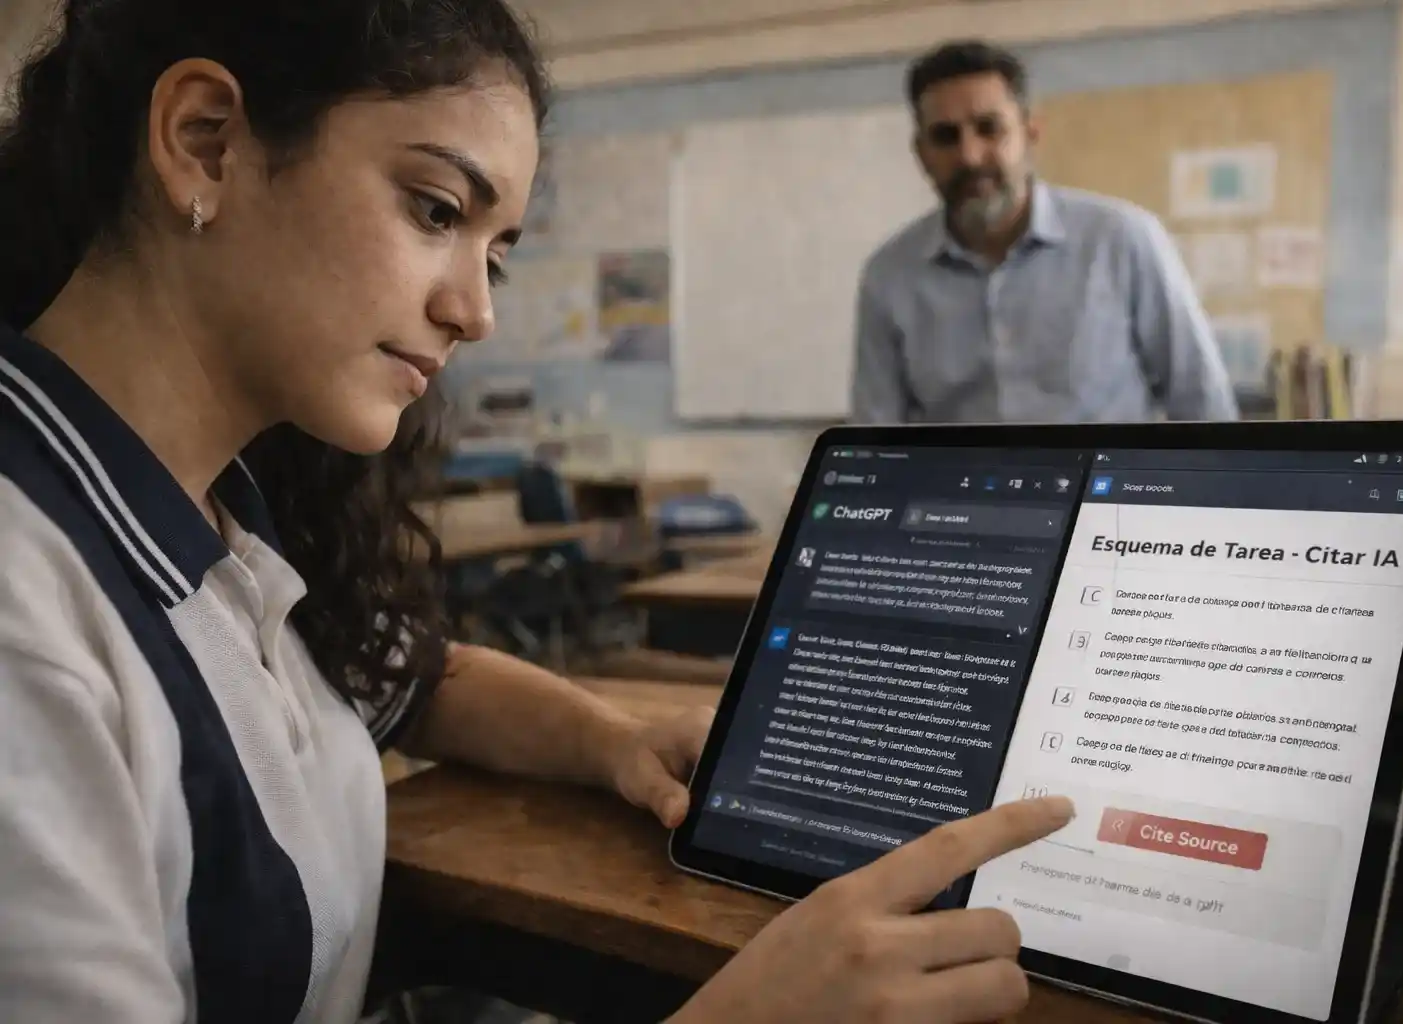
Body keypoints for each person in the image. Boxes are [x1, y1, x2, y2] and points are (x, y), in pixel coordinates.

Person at [0, 3, 1075, 1023]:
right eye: (435, 210)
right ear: (205, 142)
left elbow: (413, 681)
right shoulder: (29, 614)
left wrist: (611, 741)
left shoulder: (230, 504)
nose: (474, 310)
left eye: (498, 252)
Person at [850, 40, 1240, 425]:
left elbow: (1202, 401)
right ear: (921, 153)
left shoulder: (1121, 240)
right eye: (946, 136)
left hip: (1108, 487)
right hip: (963, 489)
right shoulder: (890, 276)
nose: (969, 156)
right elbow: (875, 433)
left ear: (1031, 132)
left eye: (989, 128)